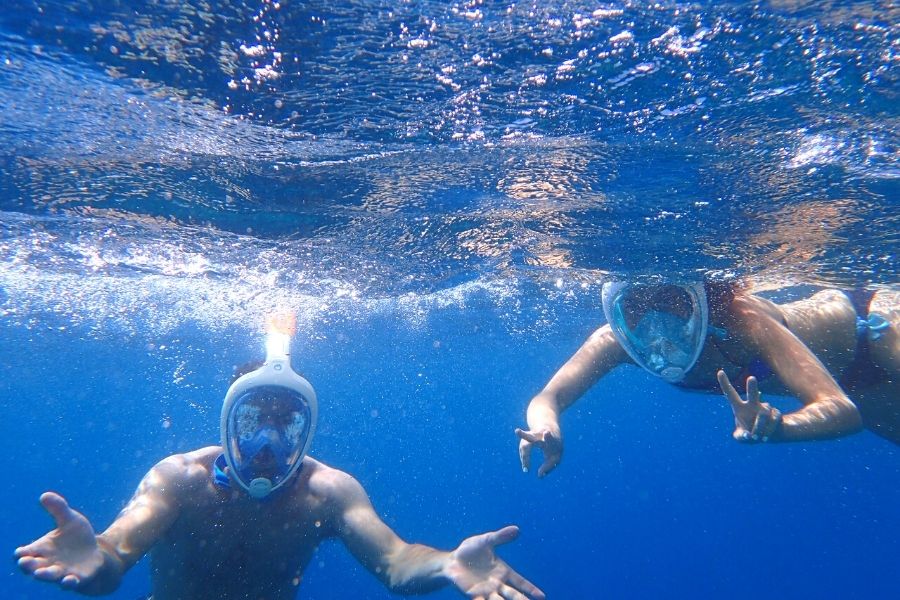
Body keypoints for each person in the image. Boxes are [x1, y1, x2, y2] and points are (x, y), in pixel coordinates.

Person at [16, 316, 545, 600]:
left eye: (286, 424)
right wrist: (96, 563)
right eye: (253, 423)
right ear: (226, 423)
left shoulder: (328, 493)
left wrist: (446, 563)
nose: (268, 446)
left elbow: (395, 562)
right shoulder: (178, 481)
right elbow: (111, 561)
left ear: (307, 428)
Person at [517, 279, 898, 477]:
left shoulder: (744, 321)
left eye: (668, 300)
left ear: (697, 297)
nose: (655, 324)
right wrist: (546, 428)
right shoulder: (616, 341)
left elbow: (838, 409)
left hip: (878, 332)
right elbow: (547, 398)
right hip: (861, 386)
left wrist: (782, 426)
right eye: (635, 308)